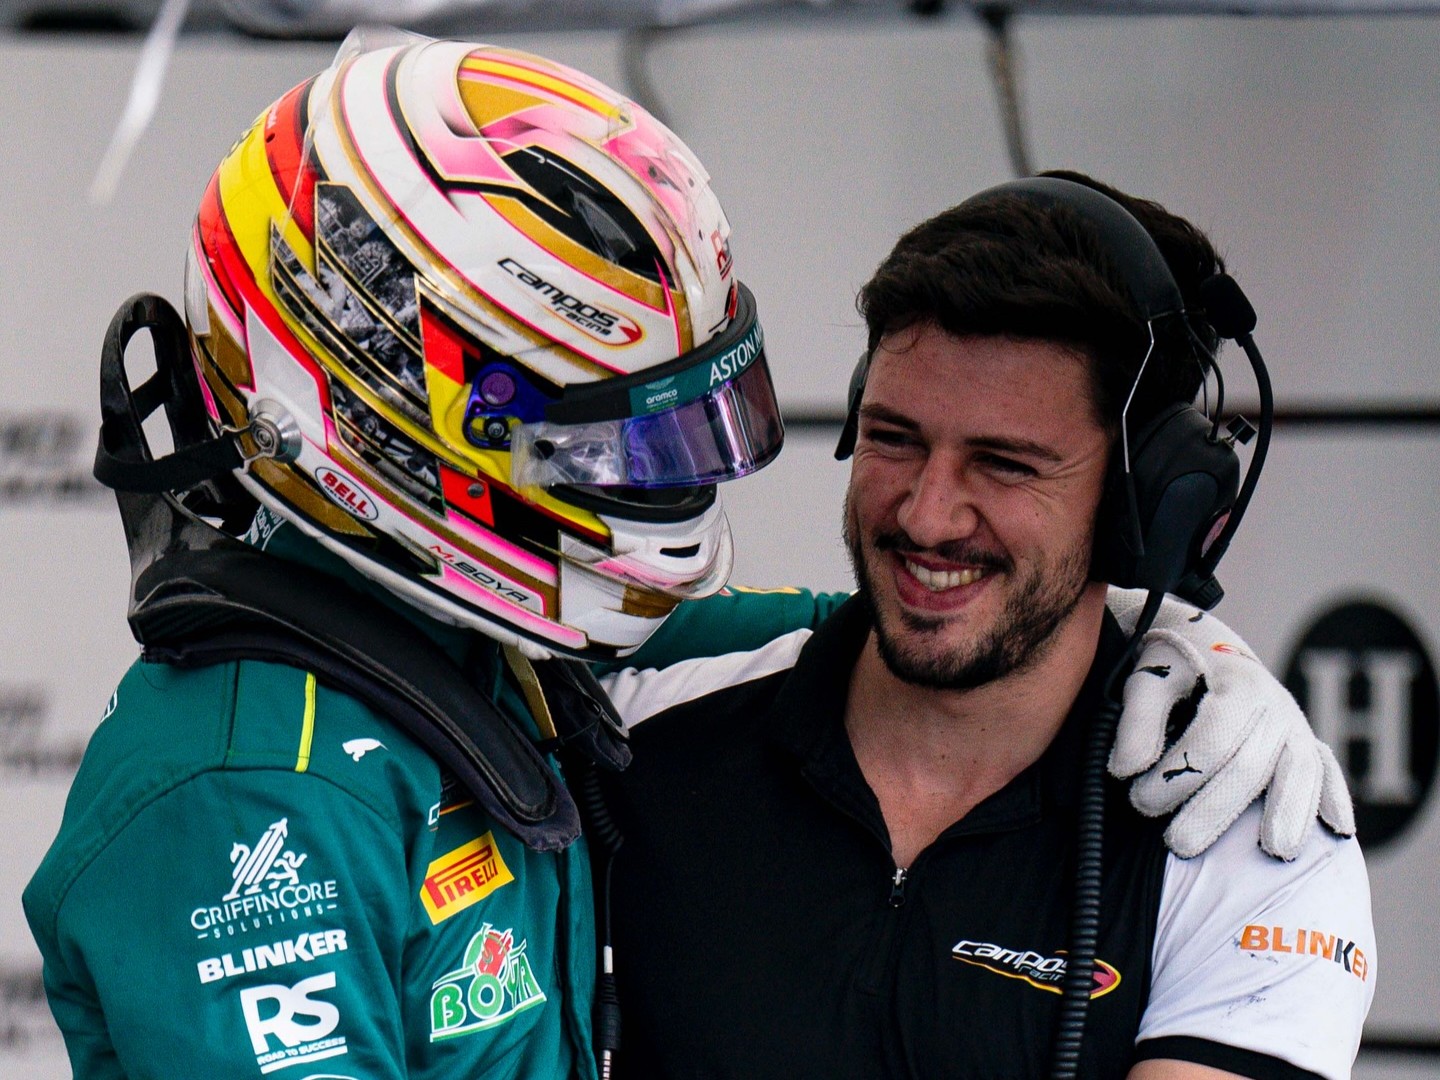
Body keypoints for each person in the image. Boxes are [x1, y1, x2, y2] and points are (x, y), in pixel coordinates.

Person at [24, 31, 1351, 1080]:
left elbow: (886, 642)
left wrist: (1177, 641)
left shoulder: (521, 673)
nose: (932, 515)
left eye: (689, 418)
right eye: (607, 440)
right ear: (385, 419)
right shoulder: (260, 786)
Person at [597, 173, 1374, 1080]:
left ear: (1141, 508)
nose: (928, 517)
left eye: (1004, 465)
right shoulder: (630, 739)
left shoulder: (1247, 843)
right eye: (895, 440)